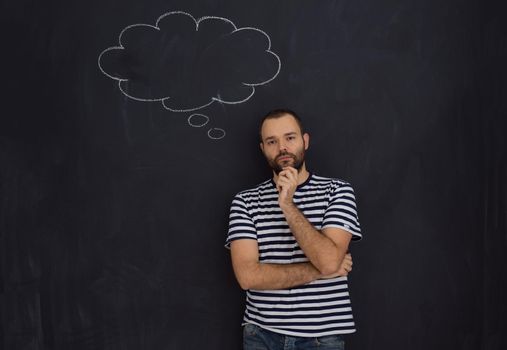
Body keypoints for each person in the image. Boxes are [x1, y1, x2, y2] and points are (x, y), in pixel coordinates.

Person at [225, 109, 362, 350]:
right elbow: (247, 277)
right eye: (272, 141)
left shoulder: (337, 191)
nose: (282, 148)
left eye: (290, 137)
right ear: (263, 148)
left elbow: (329, 259)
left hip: (322, 339)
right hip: (262, 335)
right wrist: (321, 271)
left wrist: (287, 205)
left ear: (305, 141)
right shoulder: (244, 201)